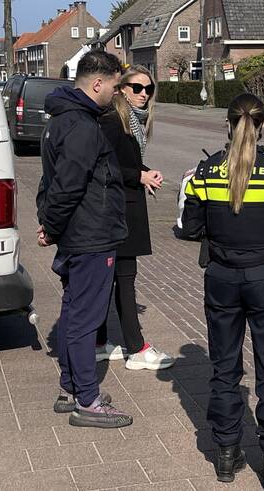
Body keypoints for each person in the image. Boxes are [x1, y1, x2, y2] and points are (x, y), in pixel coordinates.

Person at [177, 93, 264, 490]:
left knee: (224, 370)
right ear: (262, 125)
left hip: (220, 278)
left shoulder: (206, 171)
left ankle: (227, 456)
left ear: (228, 125)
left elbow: (190, 226)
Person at [36, 50, 133, 429]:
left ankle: (71, 388)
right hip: (90, 235)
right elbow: (68, 185)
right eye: (113, 86)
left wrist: (50, 223)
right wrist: (53, 225)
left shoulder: (63, 120)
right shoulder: (81, 126)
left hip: (79, 232)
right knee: (85, 318)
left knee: (75, 312)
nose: (116, 93)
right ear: (97, 83)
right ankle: (88, 401)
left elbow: (52, 182)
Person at [94, 64, 174, 371]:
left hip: (122, 209)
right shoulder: (114, 121)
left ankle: (99, 343)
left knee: (113, 280)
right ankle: (137, 349)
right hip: (119, 212)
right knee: (125, 281)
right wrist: (138, 177)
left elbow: (123, 162)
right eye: (137, 88)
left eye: (149, 89)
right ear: (122, 89)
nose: (144, 94)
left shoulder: (131, 123)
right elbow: (105, 166)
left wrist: (144, 172)